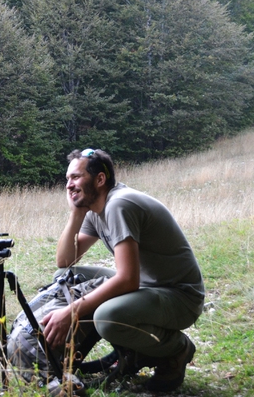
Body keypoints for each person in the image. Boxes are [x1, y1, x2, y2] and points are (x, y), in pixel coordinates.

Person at [41, 148, 204, 392]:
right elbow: (65, 261)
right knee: (66, 278)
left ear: (100, 179)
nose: (69, 185)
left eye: (75, 177)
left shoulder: (119, 204)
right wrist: (76, 212)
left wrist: (71, 311)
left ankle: (177, 348)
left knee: (107, 318)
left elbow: (128, 280)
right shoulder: (95, 208)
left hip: (179, 297)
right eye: (67, 179)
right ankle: (129, 350)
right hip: (147, 288)